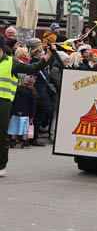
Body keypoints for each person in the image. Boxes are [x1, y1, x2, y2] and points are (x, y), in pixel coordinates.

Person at [0, 44, 56, 176]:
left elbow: (32, 68)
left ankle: (1, 165)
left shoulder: (12, 62)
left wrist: (47, 56)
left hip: (4, 101)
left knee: (1, 134)